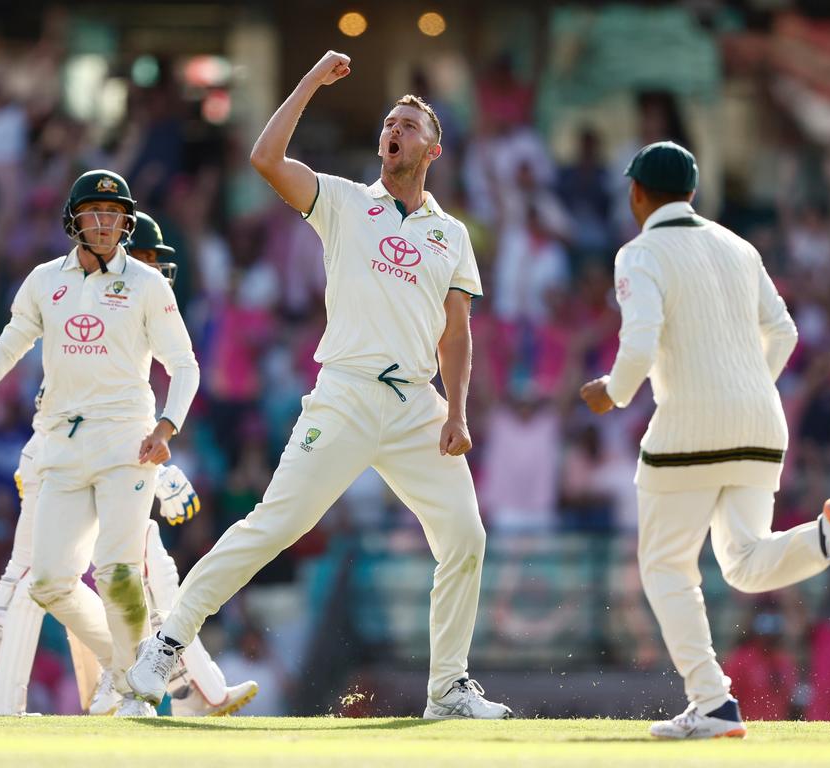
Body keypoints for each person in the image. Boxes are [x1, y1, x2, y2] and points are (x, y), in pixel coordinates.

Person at [127, 50, 510, 720]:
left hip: (419, 401)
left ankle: (447, 688)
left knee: (465, 538)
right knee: (274, 524)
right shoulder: (341, 201)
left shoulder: (450, 234)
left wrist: (458, 411)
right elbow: (266, 159)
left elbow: (457, 333)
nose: (394, 131)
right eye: (389, 123)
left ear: (434, 149)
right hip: (346, 393)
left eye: (409, 125)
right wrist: (309, 81)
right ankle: (166, 645)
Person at [579, 141, 830, 739]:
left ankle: (712, 703)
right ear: (693, 193)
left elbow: (641, 341)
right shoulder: (739, 245)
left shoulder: (640, 252)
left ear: (636, 194)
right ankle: (824, 537)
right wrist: (748, 387)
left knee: (664, 567)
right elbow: (782, 332)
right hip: (761, 423)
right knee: (743, 563)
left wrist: (614, 390)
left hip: (689, 428)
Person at [0, 215, 256, 718]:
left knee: (135, 569)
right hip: (55, 449)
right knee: (38, 579)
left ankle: (169, 690)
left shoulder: (143, 290)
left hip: (114, 449)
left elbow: (148, 384)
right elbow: (24, 343)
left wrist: (163, 445)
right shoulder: (56, 283)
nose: (158, 271)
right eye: (151, 260)